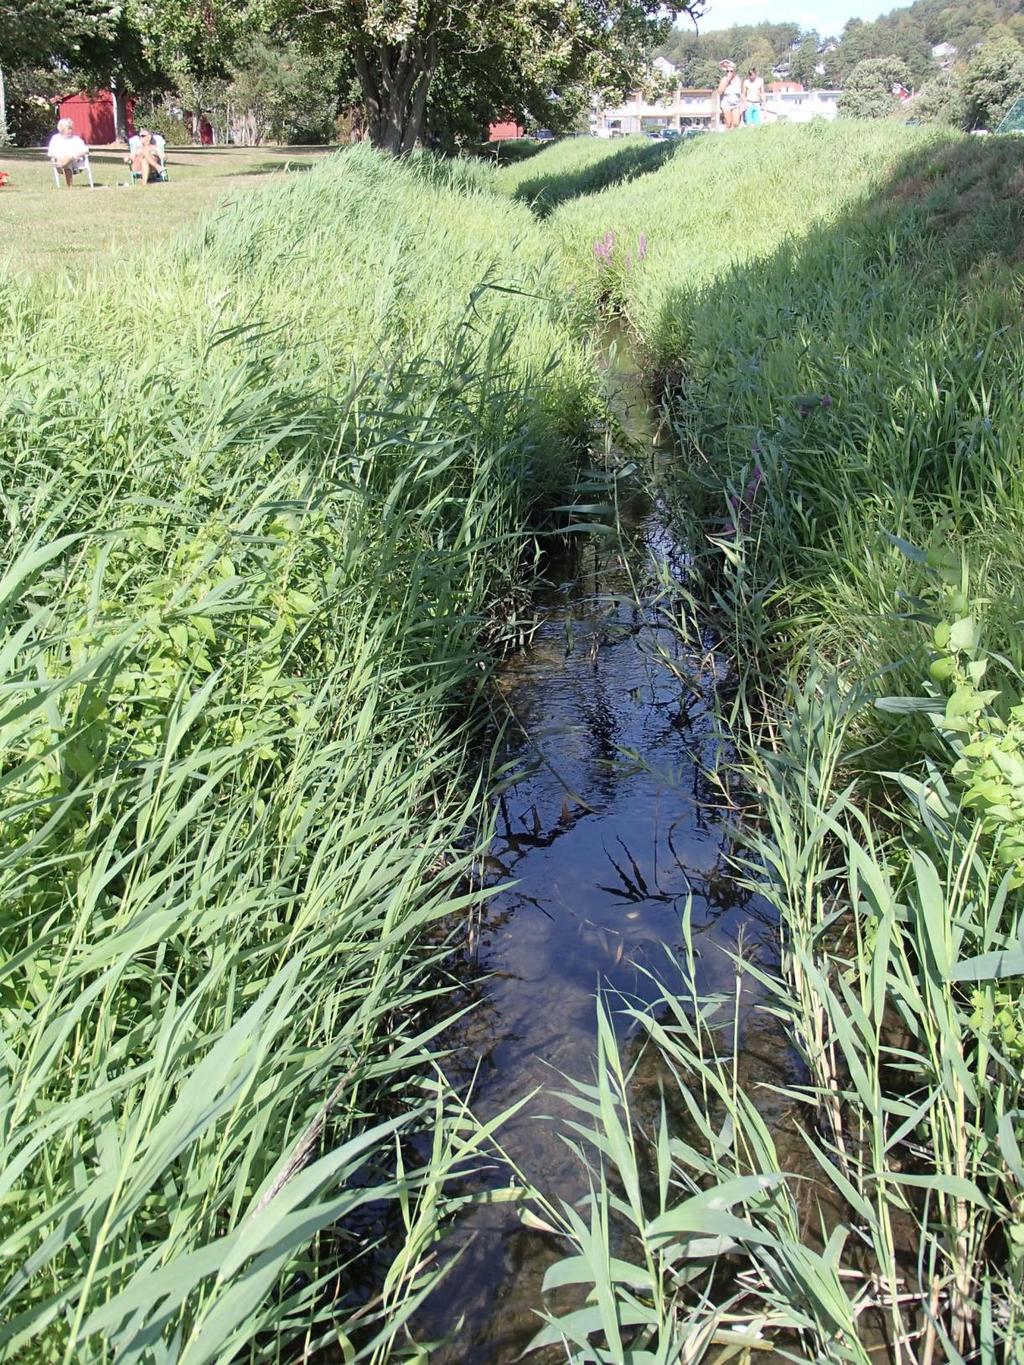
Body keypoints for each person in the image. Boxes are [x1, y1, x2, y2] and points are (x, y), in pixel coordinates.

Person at [47, 118, 89, 187]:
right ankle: (69, 186)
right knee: (67, 163)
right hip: (59, 161)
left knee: (69, 158)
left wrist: (76, 155)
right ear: (62, 129)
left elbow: (85, 150)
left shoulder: (76, 139)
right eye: (68, 129)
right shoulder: (55, 139)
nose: (70, 130)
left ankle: (64, 164)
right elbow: (51, 152)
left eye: (71, 128)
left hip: (75, 163)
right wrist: (59, 157)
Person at [717, 61, 743, 131]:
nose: (729, 73)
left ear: (734, 71)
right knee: (728, 122)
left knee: (736, 123)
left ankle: (733, 137)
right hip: (726, 103)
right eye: (727, 71)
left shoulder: (738, 79)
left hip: (736, 103)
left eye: (731, 71)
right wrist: (727, 82)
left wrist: (744, 104)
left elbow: (741, 93)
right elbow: (719, 92)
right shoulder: (724, 79)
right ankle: (727, 136)